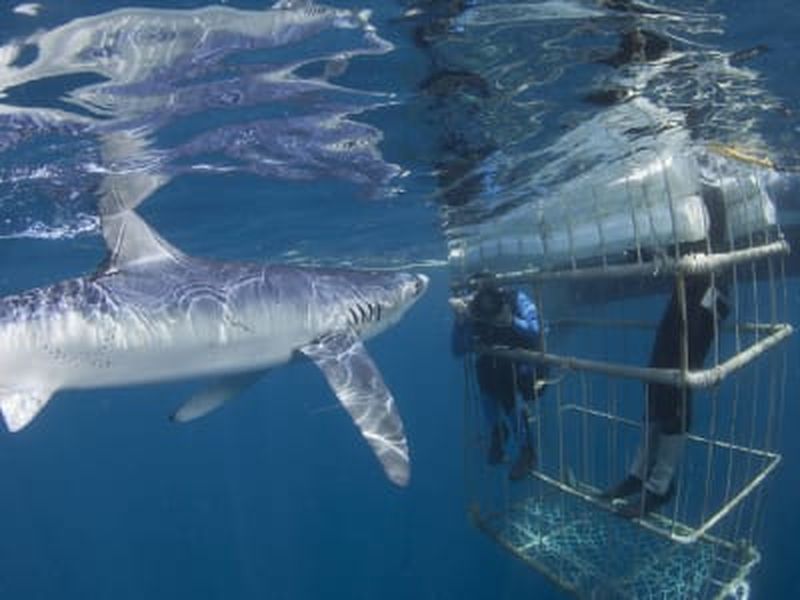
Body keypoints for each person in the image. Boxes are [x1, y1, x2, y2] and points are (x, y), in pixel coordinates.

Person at [452, 282, 547, 481]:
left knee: (505, 383)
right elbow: (458, 349)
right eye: (479, 296)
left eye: (490, 296)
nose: (487, 304)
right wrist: (462, 322)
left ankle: (527, 450)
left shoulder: (515, 299)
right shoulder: (473, 309)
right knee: (485, 370)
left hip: (526, 371)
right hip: (495, 370)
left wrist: (512, 321)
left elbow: (539, 330)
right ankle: (498, 432)